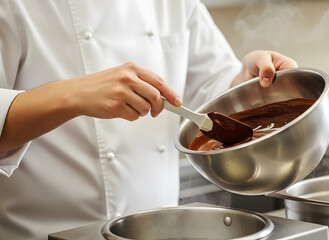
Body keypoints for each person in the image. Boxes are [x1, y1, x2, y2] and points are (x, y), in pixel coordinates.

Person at [0, 1, 297, 239]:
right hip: (44, 233)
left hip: (162, 228)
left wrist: (244, 84)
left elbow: (211, 92)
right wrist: (73, 94)